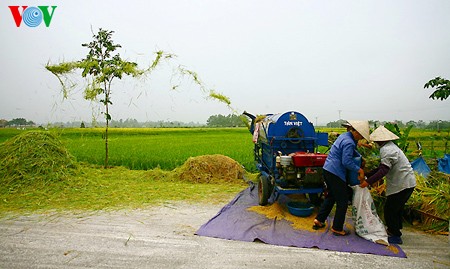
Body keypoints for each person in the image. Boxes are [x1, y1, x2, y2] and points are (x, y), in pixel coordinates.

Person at [359, 126, 416, 244]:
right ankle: (394, 230)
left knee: (390, 209)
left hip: (403, 183)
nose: (375, 143)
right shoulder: (390, 147)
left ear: (381, 140)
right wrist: (368, 174)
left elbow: (383, 171)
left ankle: (395, 235)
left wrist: (367, 182)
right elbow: (381, 168)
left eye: (376, 141)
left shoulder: (387, 150)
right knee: (397, 209)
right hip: (407, 182)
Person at [313, 120, 370, 236]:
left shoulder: (345, 136)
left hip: (328, 169)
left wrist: (360, 158)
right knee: (343, 201)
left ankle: (319, 220)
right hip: (335, 172)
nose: (361, 138)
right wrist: (360, 170)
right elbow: (346, 161)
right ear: (356, 132)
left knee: (332, 196)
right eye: (361, 135)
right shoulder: (349, 141)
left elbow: (351, 152)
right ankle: (337, 228)